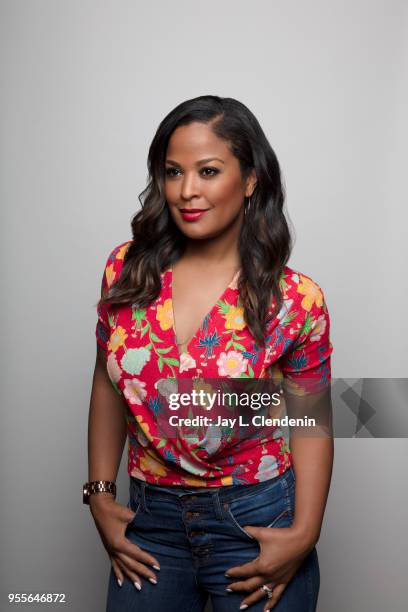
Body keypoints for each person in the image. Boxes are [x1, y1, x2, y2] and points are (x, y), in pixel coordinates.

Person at [85, 95, 334, 612]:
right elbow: (106, 385)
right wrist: (100, 495)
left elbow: (312, 421)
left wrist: (305, 531)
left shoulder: (295, 300)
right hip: (148, 523)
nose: (187, 190)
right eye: (173, 172)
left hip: (256, 518)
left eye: (208, 171)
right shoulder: (127, 270)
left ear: (249, 180)